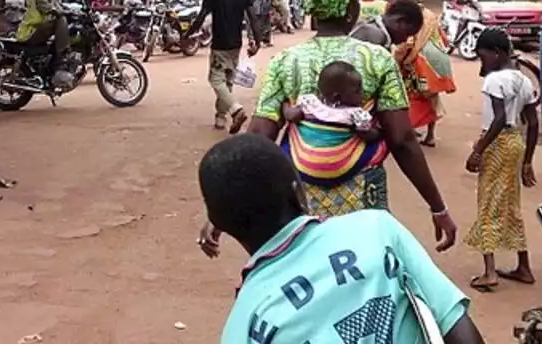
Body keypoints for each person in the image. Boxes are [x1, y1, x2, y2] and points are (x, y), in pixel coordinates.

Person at [198, 0, 457, 252]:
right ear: (351, 10)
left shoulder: (287, 60)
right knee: (367, 276)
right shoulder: (377, 59)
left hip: (303, 204)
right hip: (362, 203)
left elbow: (258, 137)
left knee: (311, 271)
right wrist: (438, 208)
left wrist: (221, 213)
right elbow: (403, 140)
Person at [198, 135, 486, 344]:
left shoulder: (245, 322)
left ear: (220, 222)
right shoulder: (378, 228)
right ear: (299, 190)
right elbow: (455, 325)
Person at [464, 28, 539, 292]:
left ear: (496, 53)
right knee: (510, 203)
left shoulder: (495, 80)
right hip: (516, 142)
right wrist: (528, 160)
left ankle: (489, 271)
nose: (482, 63)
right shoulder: (524, 80)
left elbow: (497, 119)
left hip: (497, 142)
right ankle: (523, 266)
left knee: (488, 203)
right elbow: (532, 122)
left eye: (483, 57)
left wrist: (478, 150)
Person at [187, 0, 261, 132]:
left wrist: (188, 34)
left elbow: (201, 18)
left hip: (219, 44)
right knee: (227, 80)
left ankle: (236, 110)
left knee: (215, 80)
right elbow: (253, 19)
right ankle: (220, 118)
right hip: (235, 44)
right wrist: (257, 41)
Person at [396, 0, 456, 148]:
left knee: (410, 95)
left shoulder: (410, 17)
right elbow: (443, 38)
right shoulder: (430, 15)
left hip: (420, 61)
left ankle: (408, 131)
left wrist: (399, 59)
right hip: (436, 59)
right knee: (431, 96)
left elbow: (409, 43)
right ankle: (429, 135)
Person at [281, 61, 379, 141]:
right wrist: (372, 132)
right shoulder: (356, 114)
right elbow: (369, 135)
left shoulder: (310, 101)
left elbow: (291, 116)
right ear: (336, 97)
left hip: (307, 150)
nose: (363, 92)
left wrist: (286, 104)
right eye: (358, 91)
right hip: (338, 155)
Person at [15, 0, 69, 69]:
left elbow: (61, 8)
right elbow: (57, 12)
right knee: (61, 20)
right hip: (30, 31)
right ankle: (62, 53)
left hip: (38, 29)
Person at [350, 0, 424, 51]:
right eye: (407, 33)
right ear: (399, 21)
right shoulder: (377, 36)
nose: (405, 40)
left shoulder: (371, 24)